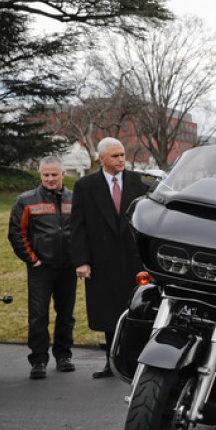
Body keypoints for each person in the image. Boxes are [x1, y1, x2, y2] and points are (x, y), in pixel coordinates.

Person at [71, 137, 149, 378]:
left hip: (134, 259)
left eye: (123, 154)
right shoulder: (86, 186)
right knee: (108, 313)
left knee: (137, 310)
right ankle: (112, 363)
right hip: (101, 259)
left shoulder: (140, 182)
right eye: (115, 156)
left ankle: (137, 364)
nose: (121, 159)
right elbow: (78, 226)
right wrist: (81, 261)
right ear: (101, 158)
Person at [8, 157, 77, 379]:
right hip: (41, 269)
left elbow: (81, 232)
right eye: (45, 174)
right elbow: (17, 233)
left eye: (54, 174)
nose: (50, 178)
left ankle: (64, 355)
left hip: (68, 268)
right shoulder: (25, 200)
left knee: (66, 314)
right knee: (38, 316)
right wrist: (32, 260)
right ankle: (38, 360)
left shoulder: (74, 199)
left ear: (63, 174)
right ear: (40, 175)